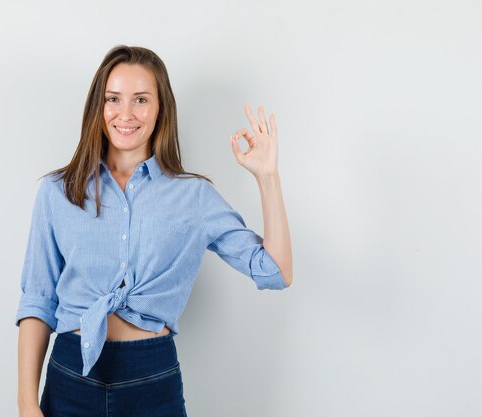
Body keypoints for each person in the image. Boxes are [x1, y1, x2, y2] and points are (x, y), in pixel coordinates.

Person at [15, 44, 293, 417]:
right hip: (71, 378)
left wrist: (268, 178)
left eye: (141, 100)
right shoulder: (57, 191)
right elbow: (38, 300)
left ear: (161, 108)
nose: (125, 114)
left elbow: (275, 271)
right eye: (113, 99)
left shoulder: (194, 196)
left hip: (152, 381)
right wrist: (26, 403)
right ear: (98, 106)